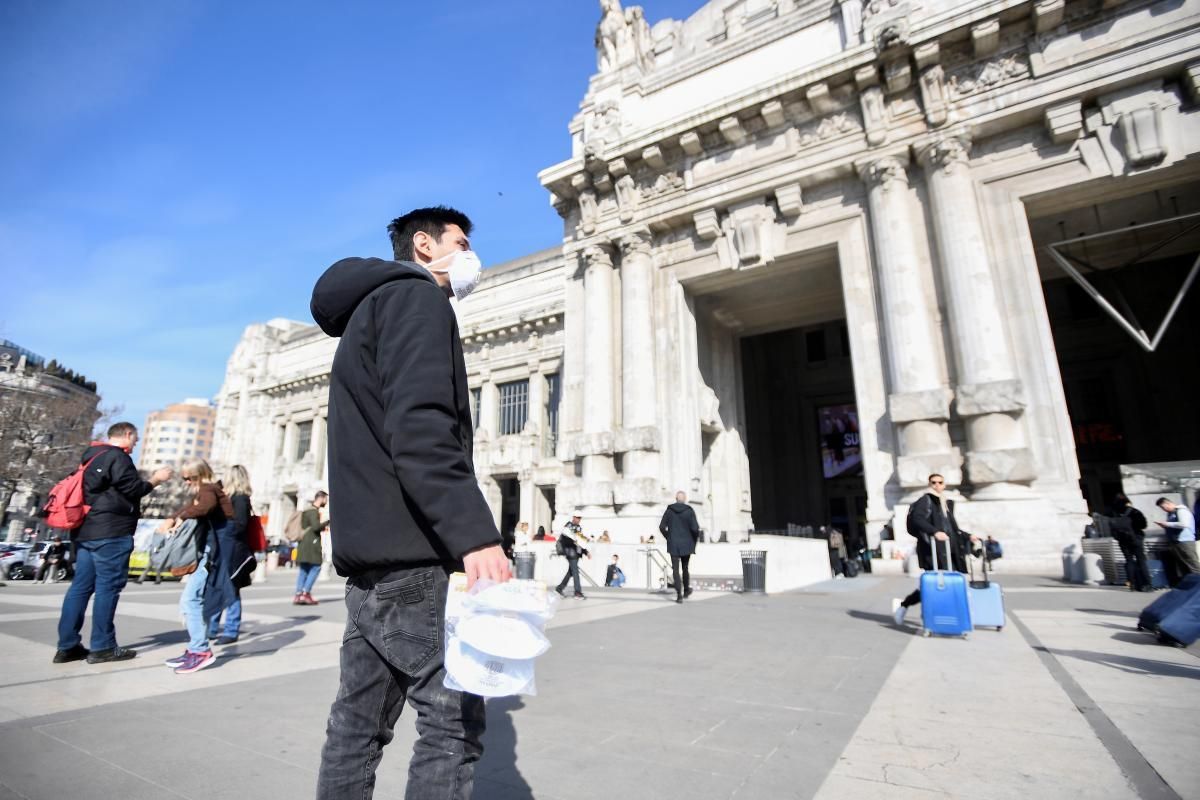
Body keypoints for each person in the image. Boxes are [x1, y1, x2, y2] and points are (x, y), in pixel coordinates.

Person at [309, 205, 511, 799]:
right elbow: (421, 430)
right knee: (450, 727)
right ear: (425, 246)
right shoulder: (417, 300)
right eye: (462, 242)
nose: (473, 254)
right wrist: (474, 534)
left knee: (356, 728)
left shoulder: (366, 314)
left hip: (370, 566)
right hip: (418, 560)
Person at [53, 422, 173, 665]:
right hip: (111, 533)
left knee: (80, 588)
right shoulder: (117, 457)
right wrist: (156, 480)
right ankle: (103, 646)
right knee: (108, 588)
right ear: (127, 434)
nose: (136, 443)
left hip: (85, 532)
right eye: (136, 438)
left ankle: (67, 646)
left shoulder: (90, 457)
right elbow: (133, 489)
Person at [159, 459, 239, 675]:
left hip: (213, 553)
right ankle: (196, 648)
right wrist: (174, 517)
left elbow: (204, 508)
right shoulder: (206, 489)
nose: (185, 482)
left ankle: (201, 651)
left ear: (198, 475)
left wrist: (179, 517)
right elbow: (193, 507)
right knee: (193, 599)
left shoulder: (209, 489)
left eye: (188, 478)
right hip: (211, 551)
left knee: (191, 599)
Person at [892, 474, 980, 626]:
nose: (937, 485)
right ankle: (904, 605)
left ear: (944, 484)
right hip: (933, 550)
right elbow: (917, 520)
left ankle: (946, 612)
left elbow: (953, 529)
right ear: (929, 484)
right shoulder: (926, 500)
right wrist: (934, 532)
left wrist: (969, 536)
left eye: (940, 482)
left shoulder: (946, 503)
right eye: (934, 482)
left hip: (950, 551)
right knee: (933, 583)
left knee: (947, 583)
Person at [207, 465, 256, 642]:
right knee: (216, 587)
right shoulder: (227, 497)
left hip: (234, 550)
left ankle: (231, 629)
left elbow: (240, 525)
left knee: (231, 589)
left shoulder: (240, 499)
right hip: (223, 549)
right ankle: (212, 627)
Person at [659, 491, 701, 603]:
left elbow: (662, 527)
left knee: (675, 570)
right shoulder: (689, 511)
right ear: (685, 498)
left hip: (674, 544)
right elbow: (695, 529)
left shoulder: (669, 510)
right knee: (685, 568)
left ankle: (679, 595)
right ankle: (686, 590)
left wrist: (668, 537)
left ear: (676, 498)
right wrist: (693, 540)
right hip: (687, 544)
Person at [1107, 493, 1150, 592]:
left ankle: (1132, 584)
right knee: (1141, 561)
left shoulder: (1113, 513)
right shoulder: (1134, 512)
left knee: (1129, 561)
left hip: (1123, 540)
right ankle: (1146, 584)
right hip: (1136, 538)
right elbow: (1143, 525)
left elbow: (1111, 528)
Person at [293, 491, 330, 605]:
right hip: (311, 544)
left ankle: (298, 595)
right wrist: (328, 522)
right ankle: (306, 593)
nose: (326, 502)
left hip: (303, 544)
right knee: (316, 567)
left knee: (304, 569)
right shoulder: (313, 511)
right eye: (325, 499)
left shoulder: (306, 510)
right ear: (321, 498)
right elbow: (315, 527)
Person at [1155, 497, 1199, 581]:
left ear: (1168, 503)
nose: (1164, 509)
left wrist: (1167, 524)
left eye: (1163, 507)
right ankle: (1190, 586)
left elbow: (1184, 524)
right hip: (1176, 542)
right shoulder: (1171, 513)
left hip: (1185, 541)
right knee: (1183, 566)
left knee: (1192, 565)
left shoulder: (1181, 511)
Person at [555, 511, 589, 599]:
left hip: (576, 553)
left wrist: (586, 552)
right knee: (575, 572)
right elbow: (566, 540)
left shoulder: (578, 528)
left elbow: (580, 542)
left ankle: (559, 588)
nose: (578, 519)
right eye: (577, 517)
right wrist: (574, 540)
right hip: (570, 553)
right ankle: (577, 592)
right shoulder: (568, 526)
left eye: (580, 518)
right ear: (573, 517)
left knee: (570, 572)